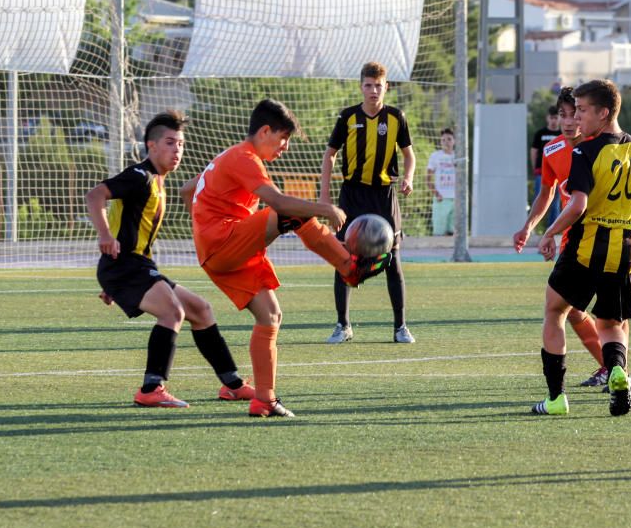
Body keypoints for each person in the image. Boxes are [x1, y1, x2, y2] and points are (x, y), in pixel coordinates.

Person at [180, 99, 390, 418]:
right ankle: (349, 267)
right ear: (265, 131)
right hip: (224, 242)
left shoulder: (230, 157)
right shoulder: (244, 158)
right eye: (283, 138)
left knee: (271, 316)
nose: (285, 147)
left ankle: (264, 399)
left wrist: (202, 228)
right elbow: (279, 203)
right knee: (291, 213)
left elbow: (187, 189)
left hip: (219, 251)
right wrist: (325, 209)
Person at [86, 111, 256, 408]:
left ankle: (232, 385)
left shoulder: (158, 181)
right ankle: (151, 388)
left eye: (180, 144)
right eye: (170, 143)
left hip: (134, 268)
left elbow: (126, 227)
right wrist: (104, 237)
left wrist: (113, 282)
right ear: (151, 146)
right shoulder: (139, 176)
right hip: (125, 267)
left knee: (201, 310)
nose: (177, 150)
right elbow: (95, 195)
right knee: (173, 313)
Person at [531, 79, 631, 417]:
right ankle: (618, 373)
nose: (576, 118)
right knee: (610, 324)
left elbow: (577, 205)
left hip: (586, 251)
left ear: (603, 112)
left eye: (581, 110)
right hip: (627, 255)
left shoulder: (585, 151)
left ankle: (555, 399)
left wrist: (549, 232)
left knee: (555, 312)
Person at [512, 88, 612, 388]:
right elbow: (547, 193)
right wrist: (529, 226)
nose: (569, 122)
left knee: (605, 313)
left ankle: (613, 369)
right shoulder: (553, 150)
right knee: (570, 309)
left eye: (575, 114)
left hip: (608, 236)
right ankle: (612, 368)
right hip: (574, 239)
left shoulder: (604, 147)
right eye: (562, 115)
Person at [319, 61, 416, 345]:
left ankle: (401, 327)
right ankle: (343, 325)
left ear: (386, 87)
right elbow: (330, 156)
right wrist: (324, 199)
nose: (373, 91)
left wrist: (408, 177)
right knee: (343, 259)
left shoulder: (397, 117)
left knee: (392, 261)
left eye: (378, 85)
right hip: (352, 196)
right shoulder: (347, 117)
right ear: (361, 87)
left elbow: (409, 155)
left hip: (384, 196)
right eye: (368, 85)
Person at [530, 106, 562, 224]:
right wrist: (535, 168)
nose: (554, 120)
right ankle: (533, 225)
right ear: (547, 118)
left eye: (556, 118)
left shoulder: (562, 134)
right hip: (541, 172)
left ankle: (553, 228)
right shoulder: (540, 133)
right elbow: (534, 151)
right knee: (540, 199)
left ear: (559, 118)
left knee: (556, 201)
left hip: (558, 173)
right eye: (551, 118)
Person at [426, 127, 456, 236]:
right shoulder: (435, 156)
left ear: (454, 141)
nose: (446, 142)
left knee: (453, 233)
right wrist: (436, 193)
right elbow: (428, 178)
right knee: (439, 233)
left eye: (449, 139)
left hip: (456, 200)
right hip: (441, 199)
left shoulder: (458, 157)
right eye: (443, 140)